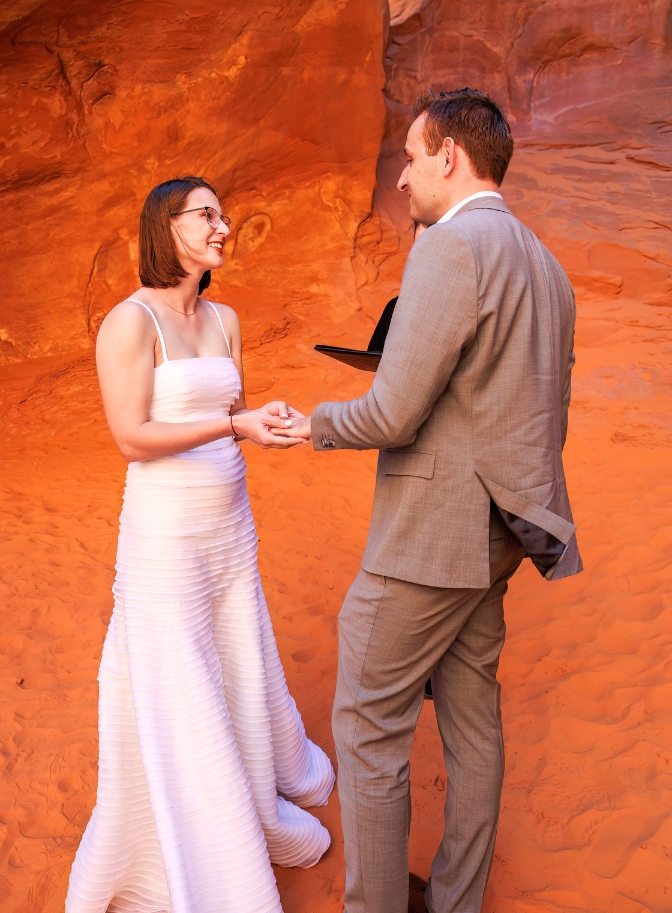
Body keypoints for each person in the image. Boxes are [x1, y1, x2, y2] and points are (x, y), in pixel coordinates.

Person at [281, 88, 582, 913]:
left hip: (432, 536)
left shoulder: (450, 248)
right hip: (502, 533)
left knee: (367, 727)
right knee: (473, 721)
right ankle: (455, 901)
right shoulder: (545, 265)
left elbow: (393, 411)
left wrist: (311, 423)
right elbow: (527, 398)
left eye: (411, 158)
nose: (404, 180)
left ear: (449, 154)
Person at [65, 176, 334, 913]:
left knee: (236, 652)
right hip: (166, 534)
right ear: (168, 226)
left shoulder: (225, 319)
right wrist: (232, 427)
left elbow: (233, 409)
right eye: (207, 214)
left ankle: (250, 792)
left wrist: (265, 423)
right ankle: (198, 844)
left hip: (229, 526)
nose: (224, 226)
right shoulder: (130, 322)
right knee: (178, 669)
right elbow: (131, 437)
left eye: (224, 214)